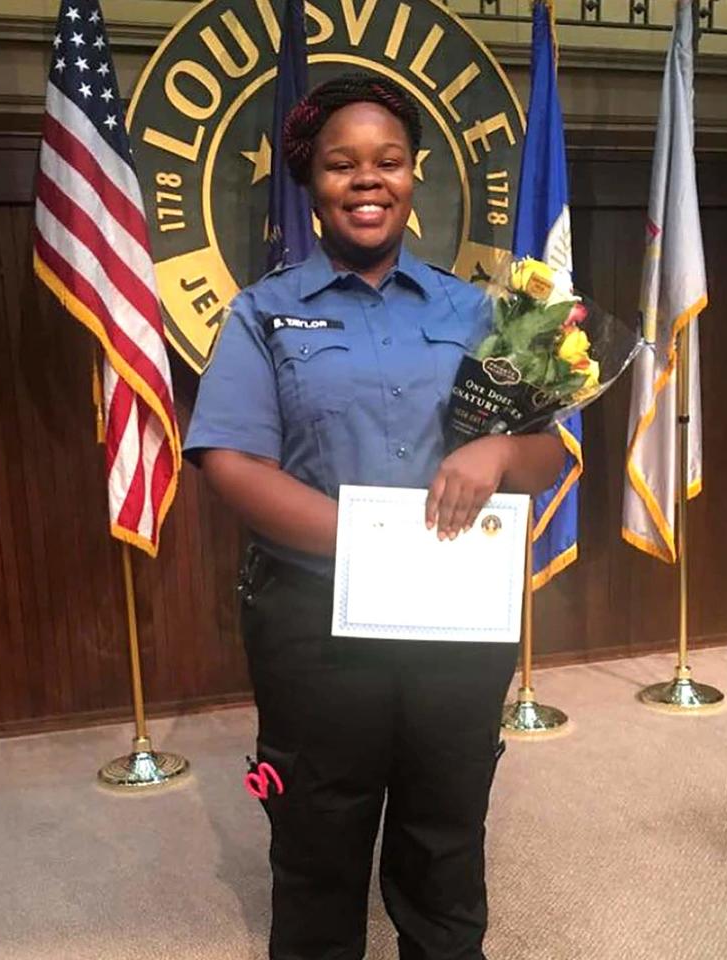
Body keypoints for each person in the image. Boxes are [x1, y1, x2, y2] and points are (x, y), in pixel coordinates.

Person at [184, 73, 564, 960]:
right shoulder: (264, 314)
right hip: (314, 619)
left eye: (387, 161)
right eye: (341, 164)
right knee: (319, 834)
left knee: (445, 829)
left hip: (454, 619)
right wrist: (370, 546)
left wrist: (499, 452)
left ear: (413, 175)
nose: (367, 179)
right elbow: (232, 463)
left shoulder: (480, 313)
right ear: (310, 183)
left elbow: (548, 453)